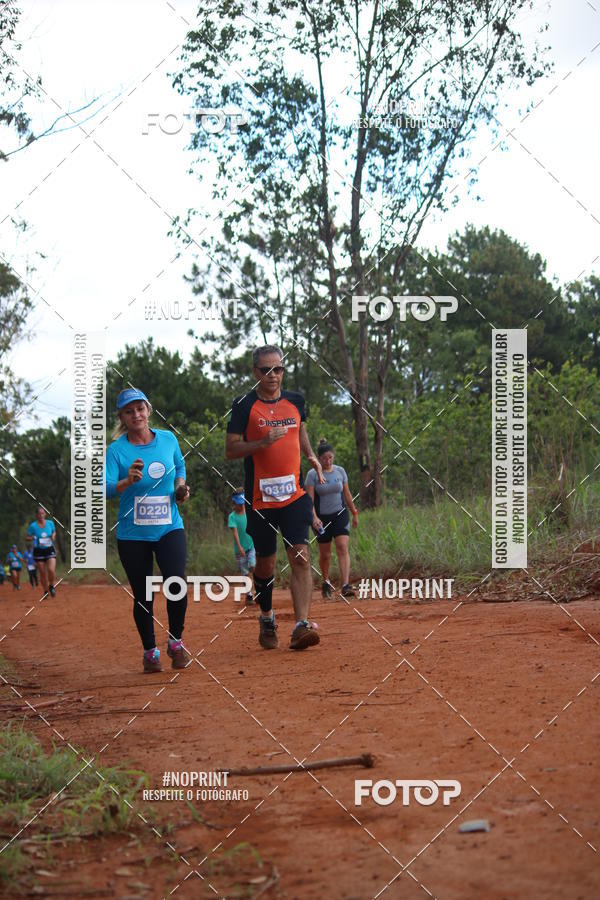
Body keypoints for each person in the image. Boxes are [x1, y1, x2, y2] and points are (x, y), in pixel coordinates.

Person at [225, 345, 325, 651]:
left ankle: (301, 625)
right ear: (255, 372)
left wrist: (311, 456)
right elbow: (231, 450)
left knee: (300, 555)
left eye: (278, 369)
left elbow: (301, 431)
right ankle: (267, 617)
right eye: (266, 369)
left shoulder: (295, 401)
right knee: (266, 565)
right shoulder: (244, 405)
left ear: (283, 370)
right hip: (261, 500)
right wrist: (261, 442)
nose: (272, 375)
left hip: (294, 496)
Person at [105, 387, 191, 674]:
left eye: (140, 408)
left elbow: (179, 464)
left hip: (169, 527)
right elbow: (105, 489)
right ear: (122, 417)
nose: (136, 415)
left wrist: (180, 487)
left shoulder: (167, 439)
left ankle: (176, 643)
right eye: (129, 411)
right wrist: (127, 481)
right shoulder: (116, 450)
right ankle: (150, 652)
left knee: (176, 585)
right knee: (143, 595)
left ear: (148, 410)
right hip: (133, 535)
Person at [305, 439, 358, 598]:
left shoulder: (340, 471)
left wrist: (354, 512)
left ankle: (346, 585)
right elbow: (310, 500)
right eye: (324, 459)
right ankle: (326, 581)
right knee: (326, 554)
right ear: (319, 459)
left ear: (333, 457)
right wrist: (314, 518)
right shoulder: (312, 475)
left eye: (330, 458)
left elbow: (347, 494)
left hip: (340, 514)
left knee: (342, 547)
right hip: (321, 519)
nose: (327, 461)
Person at [228, 488, 255, 604]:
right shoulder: (232, 517)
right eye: (239, 504)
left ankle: (258, 588)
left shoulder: (250, 512)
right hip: (240, 550)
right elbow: (235, 533)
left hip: (252, 546)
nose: (242, 506)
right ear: (234, 504)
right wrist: (239, 547)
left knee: (253, 566)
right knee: (245, 573)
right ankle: (249, 595)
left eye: (243, 503)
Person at [26, 507, 58, 597]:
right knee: (43, 573)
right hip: (38, 551)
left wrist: (53, 536)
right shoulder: (33, 526)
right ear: (36, 515)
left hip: (49, 549)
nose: (41, 515)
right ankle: (45, 591)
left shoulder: (50, 523)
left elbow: (54, 532)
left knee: (51, 570)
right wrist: (32, 538)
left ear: (45, 514)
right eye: (39, 514)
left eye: (42, 513)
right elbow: (27, 537)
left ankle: (51, 585)